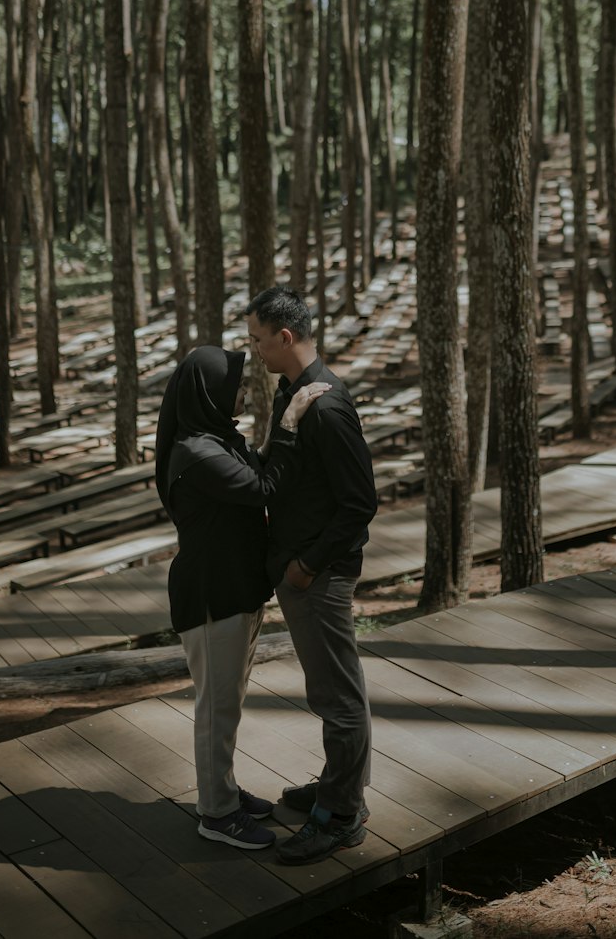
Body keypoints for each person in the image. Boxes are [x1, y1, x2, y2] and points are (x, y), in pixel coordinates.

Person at [155, 343, 329, 852]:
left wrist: (281, 426)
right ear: (209, 392)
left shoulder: (214, 438)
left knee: (227, 702)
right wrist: (291, 421)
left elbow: (256, 466)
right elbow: (262, 488)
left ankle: (224, 792)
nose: (242, 391)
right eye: (234, 384)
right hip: (211, 596)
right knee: (217, 709)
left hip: (234, 589)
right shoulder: (197, 452)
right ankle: (217, 813)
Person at [245, 287, 378, 865]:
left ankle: (342, 816)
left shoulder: (326, 405)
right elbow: (284, 468)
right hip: (298, 564)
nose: (254, 351)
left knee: (337, 696)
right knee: (330, 690)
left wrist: (306, 566)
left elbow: (359, 503)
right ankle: (338, 787)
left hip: (318, 573)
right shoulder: (292, 394)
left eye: (257, 339)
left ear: (286, 337)